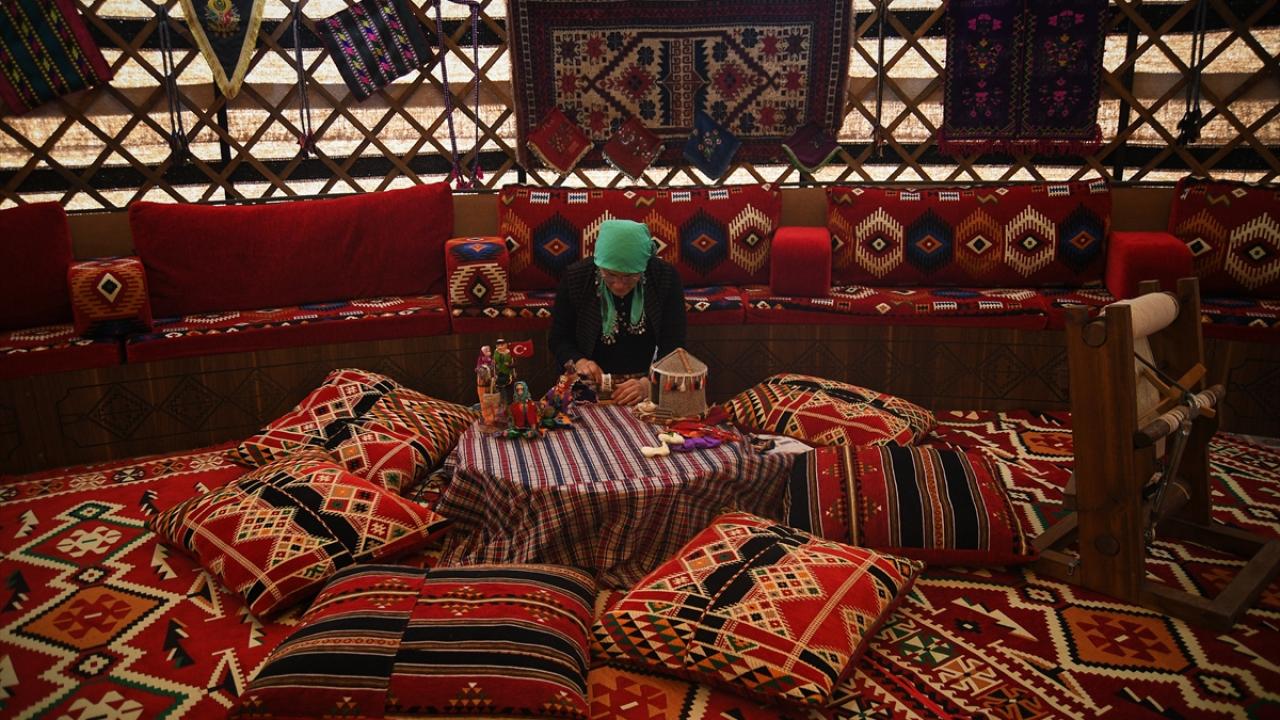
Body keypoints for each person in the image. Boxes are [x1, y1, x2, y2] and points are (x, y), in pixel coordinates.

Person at [550, 219, 686, 406]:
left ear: (644, 267)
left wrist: (650, 384)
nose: (619, 284)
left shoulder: (664, 277)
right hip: (587, 386)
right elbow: (558, 338)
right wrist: (580, 361)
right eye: (610, 274)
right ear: (599, 265)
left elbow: (674, 344)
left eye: (630, 276)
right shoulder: (576, 278)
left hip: (645, 386)